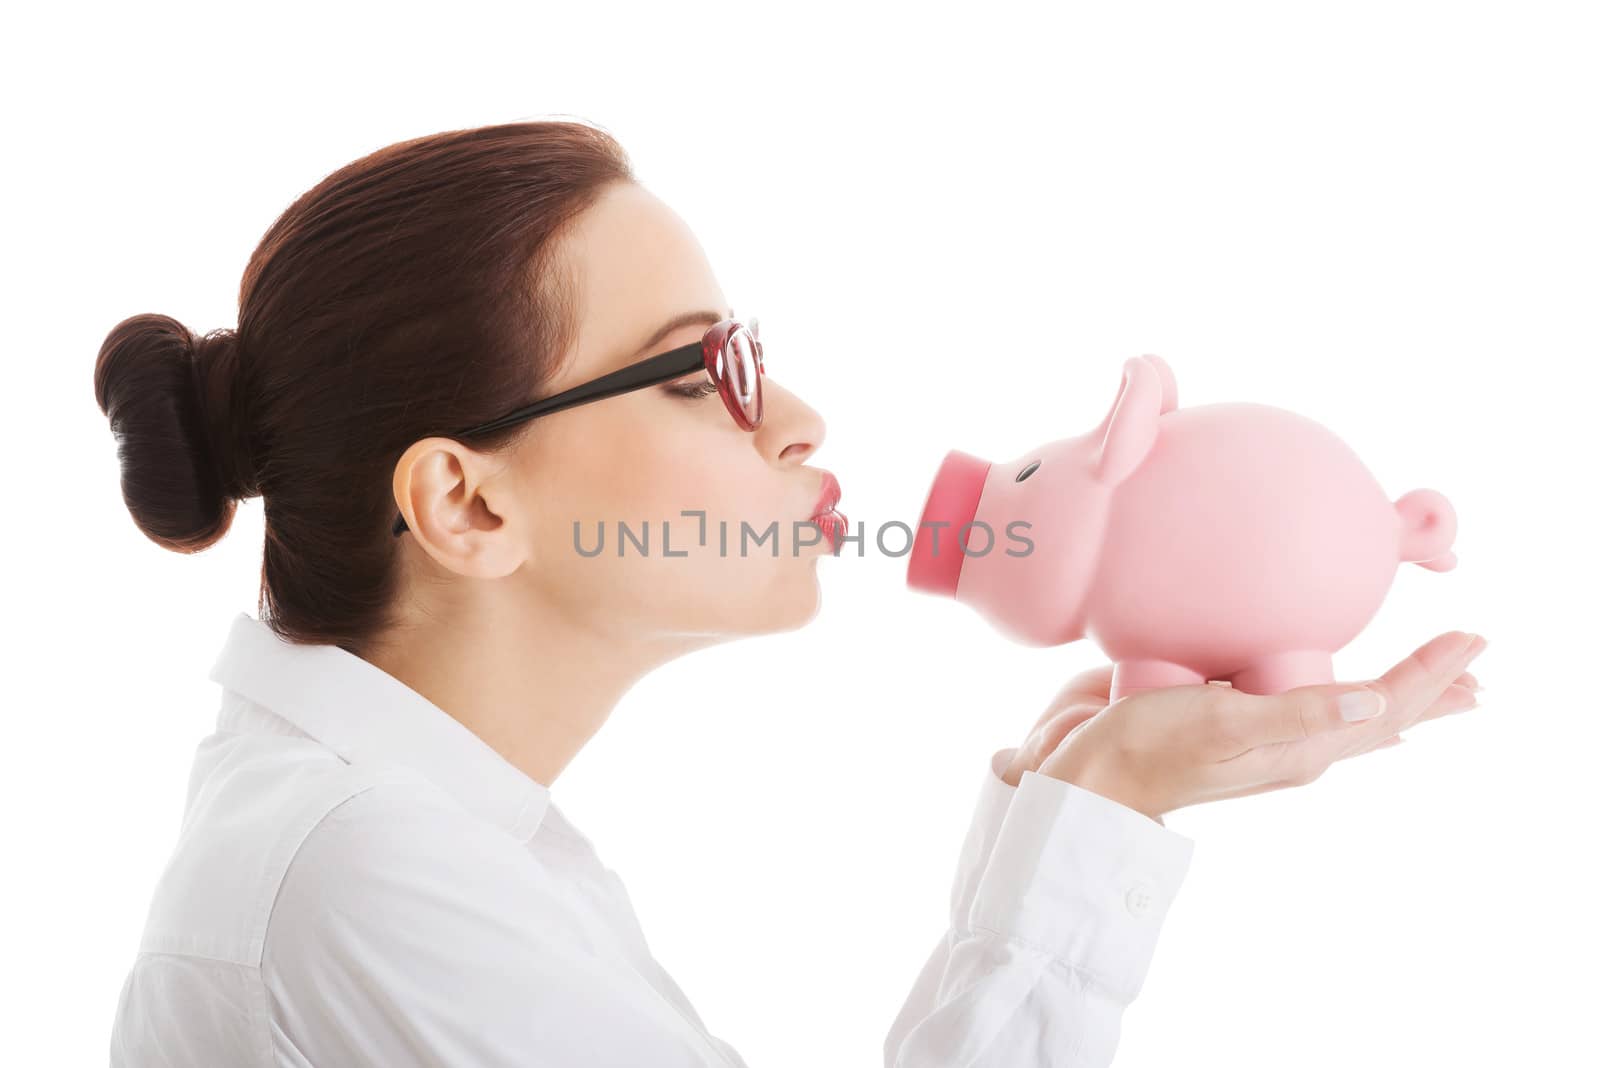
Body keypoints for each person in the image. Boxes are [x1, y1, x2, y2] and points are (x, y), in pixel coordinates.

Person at [93, 120, 1487, 1067]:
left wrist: (1077, 808)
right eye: (705, 374)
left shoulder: (424, 841)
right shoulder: (364, 873)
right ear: (468, 503)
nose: (801, 420)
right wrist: (1102, 814)